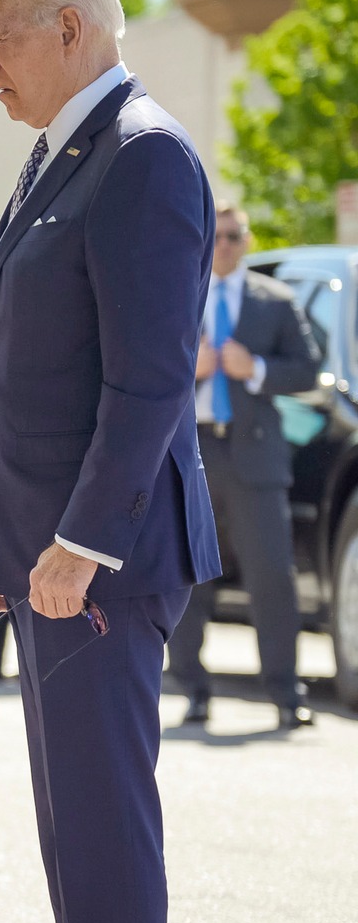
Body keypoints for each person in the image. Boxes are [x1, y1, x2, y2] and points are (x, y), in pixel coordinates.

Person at [0, 0, 220, 923]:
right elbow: (13, 367)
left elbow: (147, 378)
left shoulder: (141, 155)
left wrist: (73, 542)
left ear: (68, 27)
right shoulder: (66, 149)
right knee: (73, 835)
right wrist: (0, 544)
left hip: (98, 569)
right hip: (47, 564)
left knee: (102, 832)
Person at [169, 203, 321, 730]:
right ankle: (192, 689)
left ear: (248, 240)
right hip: (195, 454)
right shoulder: (179, 298)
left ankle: (285, 693)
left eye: (235, 236)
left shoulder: (275, 301)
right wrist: (192, 368)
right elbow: (141, 366)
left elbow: (309, 369)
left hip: (256, 456)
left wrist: (253, 367)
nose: (226, 245)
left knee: (272, 578)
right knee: (190, 576)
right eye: (219, 236)